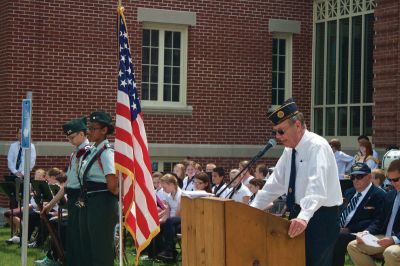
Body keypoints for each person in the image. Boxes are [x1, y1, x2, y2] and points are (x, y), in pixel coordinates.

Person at [250, 98, 342, 266]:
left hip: (320, 218)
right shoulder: (289, 151)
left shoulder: (317, 146)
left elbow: (317, 187)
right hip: (298, 216)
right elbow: (274, 185)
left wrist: (304, 217)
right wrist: (250, 209)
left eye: (281, 131)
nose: (277, 137)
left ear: (298, 125)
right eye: (275, 132)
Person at [38, 117, 90, 266]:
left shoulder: (88, 152)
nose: (71, 141)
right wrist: (50, 204)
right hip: (73, 198)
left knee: (79, 234)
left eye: (72, 137)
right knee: (70, 232)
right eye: (68, 138)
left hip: (82, 198)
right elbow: (67, 185)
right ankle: (63, 259)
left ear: (82, 134)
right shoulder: (75, 154)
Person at [77, 111, 118, 266]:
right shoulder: (93, 150)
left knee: (101, 248)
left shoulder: (106, 152)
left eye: (94, 128)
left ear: (104, 130)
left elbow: (112, 185)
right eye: (90, 127)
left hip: (102, 203)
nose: (90, 131)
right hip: (90, 202)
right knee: (88, 245)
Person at [347, 159, 400, 266]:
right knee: (353, 246)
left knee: (391, 252)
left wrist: (394, 239)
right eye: (390, 180)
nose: (392, 183)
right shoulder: (390, 195)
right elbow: (379, 220)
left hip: (396, 240)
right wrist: (366, 233)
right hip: (384, 238)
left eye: (396, 179)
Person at [332, 163, 386, 266]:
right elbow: (340, 212)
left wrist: (350, 229)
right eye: (353, 176)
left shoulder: (379, 195)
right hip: (340, 230)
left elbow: (378, 221)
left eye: (359, 176)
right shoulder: (349, 192)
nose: (355, 180)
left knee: (339, 237)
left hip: (362, 234)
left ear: (369, 177)